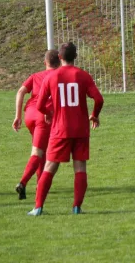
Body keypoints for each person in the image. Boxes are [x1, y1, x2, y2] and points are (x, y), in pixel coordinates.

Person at [27, 42, 104, 216]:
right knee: (80, 167)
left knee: (49, 167)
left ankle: (38, 207)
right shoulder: (83, 76)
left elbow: (39, 105)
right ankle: (77, 207)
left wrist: (47, 112)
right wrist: (95, 114)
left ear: (60, 57)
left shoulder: (51, 77)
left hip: (59, 129)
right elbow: (99, 99)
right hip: (80, 129)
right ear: (75, 57)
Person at [12, 50, 61, 200]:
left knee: (42, 150)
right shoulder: (59, 76)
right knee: (38, 153)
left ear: (45, 62)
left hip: (30, 115)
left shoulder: (35, 76)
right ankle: (22, 183)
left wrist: (17, 116)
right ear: (58, 62)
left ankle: (39, 185)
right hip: (43, 116)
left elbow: (21, 91)